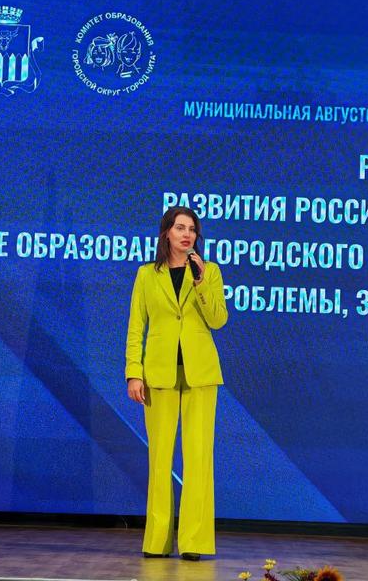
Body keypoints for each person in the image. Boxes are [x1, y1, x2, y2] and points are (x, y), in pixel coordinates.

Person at [125, 206, 228, 561]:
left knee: (198, 458)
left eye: (192, 229)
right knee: (159, 459)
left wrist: (200, 283)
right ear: (166, 232)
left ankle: (194, 541)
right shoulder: (146, 275)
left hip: (201, 374)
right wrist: (133, 372)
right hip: (158, 373)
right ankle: (157, 540)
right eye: (180, 228)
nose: (187, 234)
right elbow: (136, 326)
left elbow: (218, 319)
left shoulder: (209, 271)